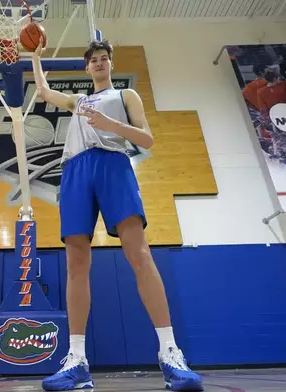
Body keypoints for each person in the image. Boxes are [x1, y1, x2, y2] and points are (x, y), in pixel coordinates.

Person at [31, 38, 204, 392]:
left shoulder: (126, 95)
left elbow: (148, 139)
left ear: (111, 64)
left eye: (104, 59)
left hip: (113, 164)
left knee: (139, 254)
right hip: (75, 170)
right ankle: (76, 361)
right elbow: (45, 92)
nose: (99, 63)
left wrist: (112, 125)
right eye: (93, 59)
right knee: (76, 263)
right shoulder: (78, 101)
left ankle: (171, 353)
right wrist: (35, 56)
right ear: (86, 67)